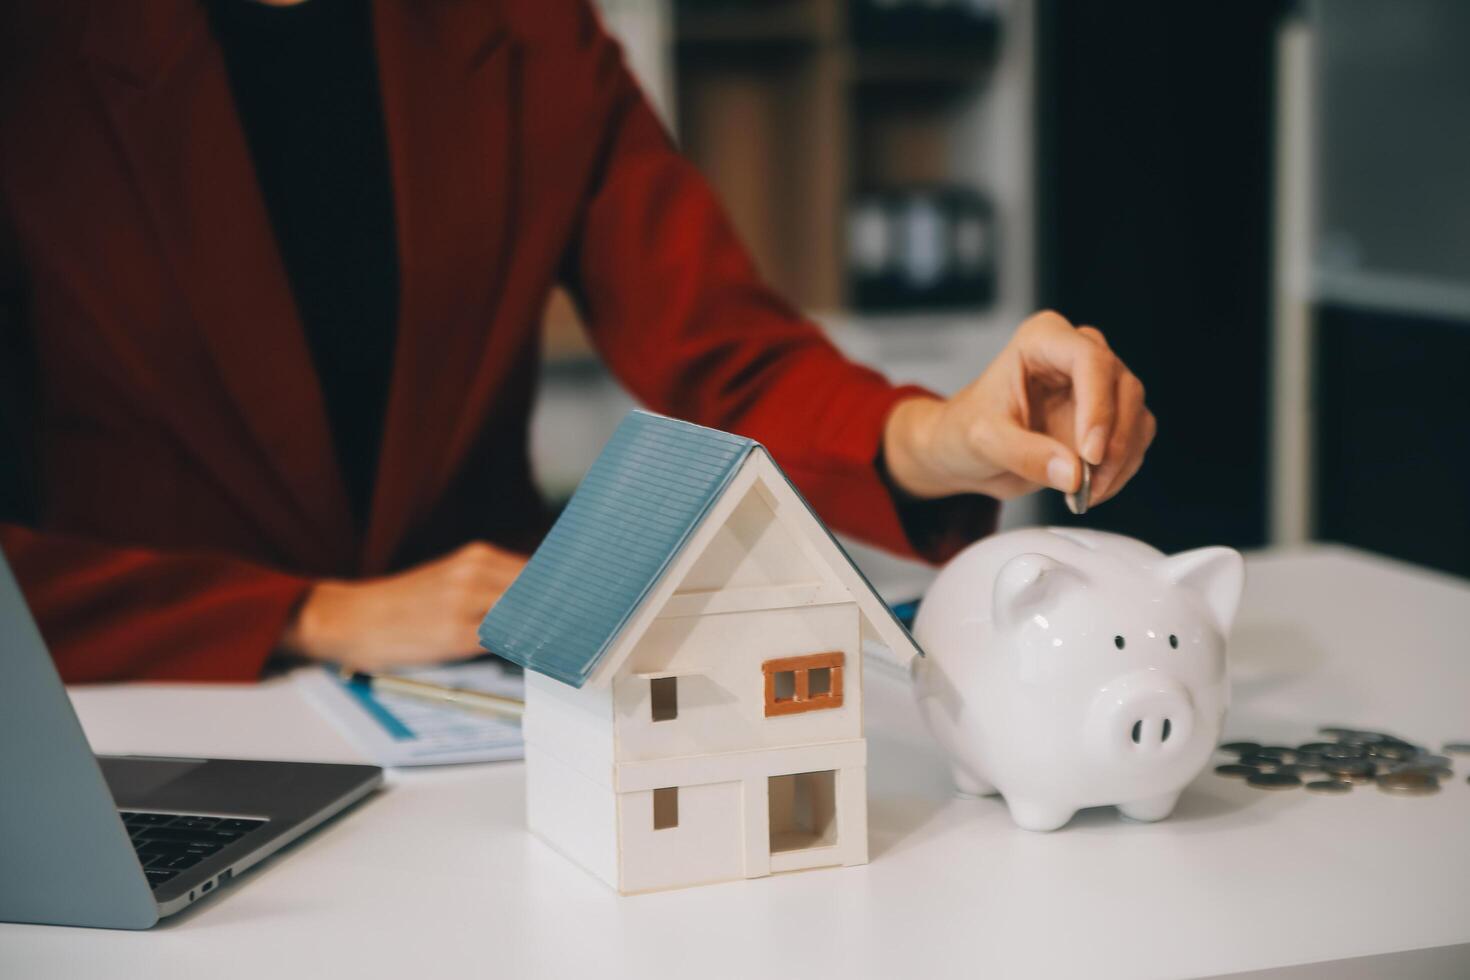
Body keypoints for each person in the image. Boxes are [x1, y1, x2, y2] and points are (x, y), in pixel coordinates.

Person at [0, 0, 1153, 683]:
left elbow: (723, 355)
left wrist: (933, 434)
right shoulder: (37, 51)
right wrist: (309, 615)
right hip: (152, 701)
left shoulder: (527, 29)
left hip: (490, 694)